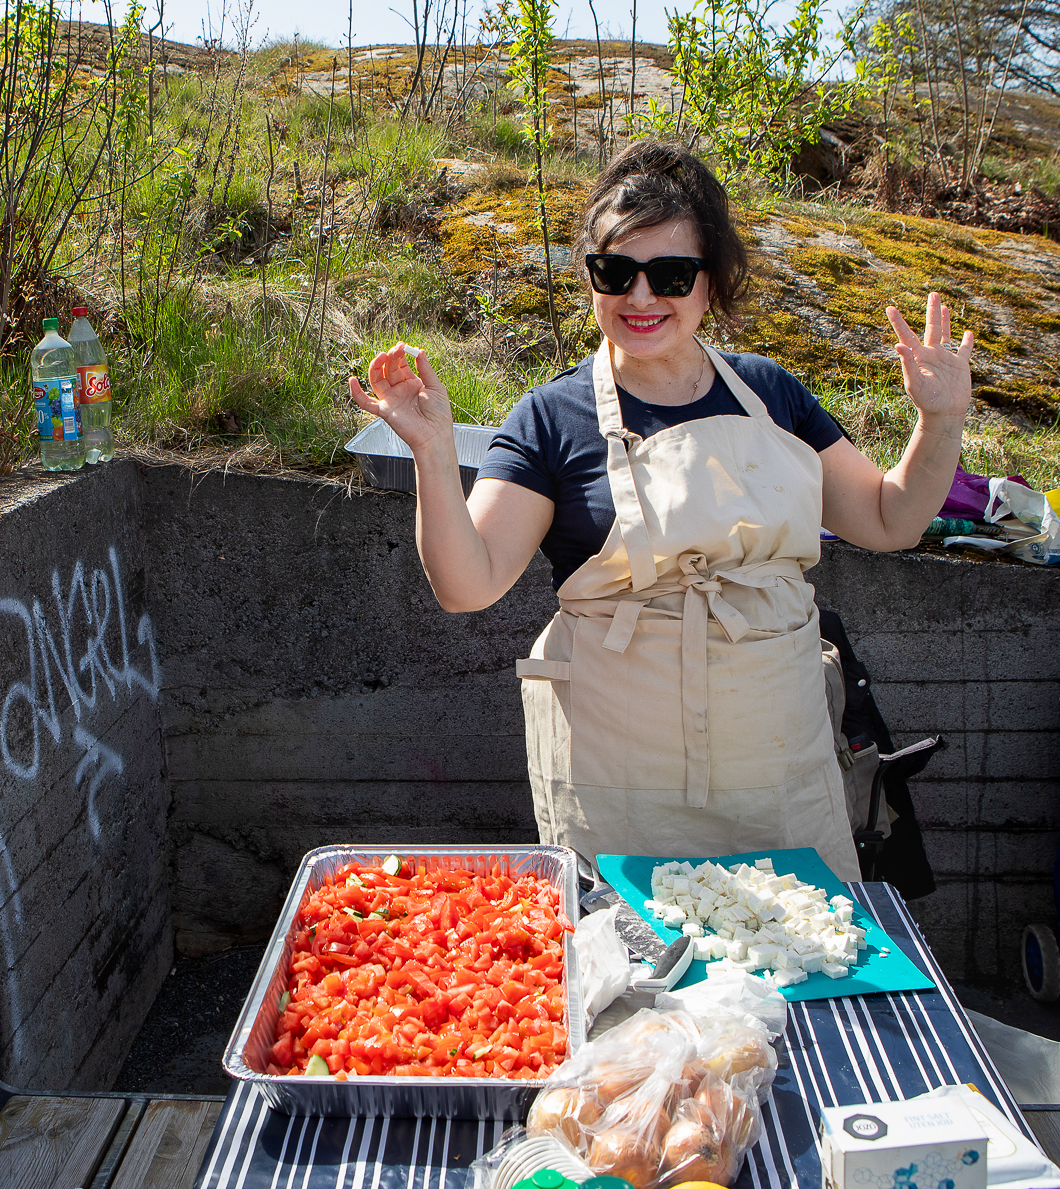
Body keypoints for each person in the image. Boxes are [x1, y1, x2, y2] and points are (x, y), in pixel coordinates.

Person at [346, 142, 973, 879]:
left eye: (671, 274)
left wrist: (940, 422)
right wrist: (431, 450)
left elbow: (890, 520)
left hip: (779, 767)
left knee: (801, 939)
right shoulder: (549, 417)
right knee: (630, 946)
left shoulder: (771, 393)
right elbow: (467, 585)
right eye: (615, 272)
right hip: (619, 777)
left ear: (711, 284)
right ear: (590, 279)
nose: (641, 297)